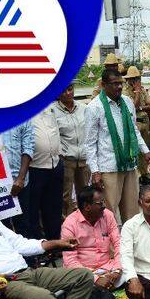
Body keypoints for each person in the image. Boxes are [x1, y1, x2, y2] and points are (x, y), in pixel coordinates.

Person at [85, 69, 150, 223]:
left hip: (129, 164)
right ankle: (110, 245)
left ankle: (130, 244)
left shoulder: (127, 102)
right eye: (114, 84)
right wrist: (95, 171)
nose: (119, 87)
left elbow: (133, 129)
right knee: (109, 213)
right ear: (103, 85)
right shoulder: (94, 108)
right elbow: (89, 144)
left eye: (120, 83)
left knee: (132, 212)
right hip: (108, 167)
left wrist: (145, 151)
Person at [61, 186, 122, 290]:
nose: (104, 206)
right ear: (87, 206)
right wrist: (95, 278)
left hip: (108, 268)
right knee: (83, 285)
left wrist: (117, 269)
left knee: (132, 274)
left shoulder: (108, 215)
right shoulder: (70, 224)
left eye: (104, 202)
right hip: (82, 271)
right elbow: (70, 261)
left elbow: (118, 243)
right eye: (100, 203)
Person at [51, 81, 90, 218]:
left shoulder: (83, 108)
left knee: (85, 193)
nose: (68, 93)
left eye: (70, 89)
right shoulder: (53, 111)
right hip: (66, 159)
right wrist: (61, 153)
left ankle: (85, 220)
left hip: (84, 158)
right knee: (65, 195)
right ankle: (67, 223)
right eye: (64, 90)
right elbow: (54, 135)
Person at [29, 97, 63, 239]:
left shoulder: (50, 107)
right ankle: (39, 246)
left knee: (54, 209)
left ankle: (55, 244)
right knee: (33, 211)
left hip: (55, 165)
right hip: (34, 168)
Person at [124, 65, 150, 181]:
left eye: (137, 78)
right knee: (136, 152)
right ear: (128, 80)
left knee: (145, 150)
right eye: (133, 78)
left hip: (145, 122)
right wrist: (137, 93)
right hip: (135, 122)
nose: (135, 81)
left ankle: (145, 174)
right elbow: (133, 106)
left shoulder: (142, 89)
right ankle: (142, 175)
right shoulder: (125, 91)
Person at [1, 120, 33, 236]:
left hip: (20, 182)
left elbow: (28, 148)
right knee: (1, 226)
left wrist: (20, 179)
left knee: (23, 223)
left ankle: (27, 254)